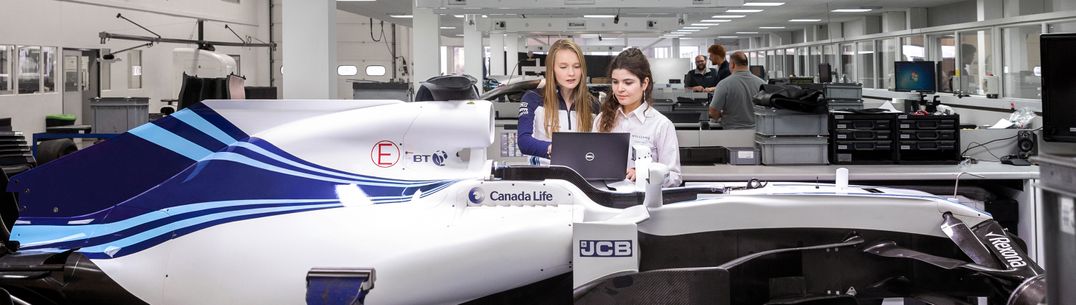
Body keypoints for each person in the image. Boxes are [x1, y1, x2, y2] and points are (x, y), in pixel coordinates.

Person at [595, 48, 682, 187]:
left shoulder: (661, 125)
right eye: (615, 82)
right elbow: (592, 163)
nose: (619, 89)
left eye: (628, 83)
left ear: (644, 84)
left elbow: (674, 176)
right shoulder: (601, 120)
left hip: (643, 203)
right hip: (606, 200)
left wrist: (643, 173)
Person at [517, 39, 600, 165]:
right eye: (563, 67)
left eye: (577, 66)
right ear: (552, 69)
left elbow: (600, 145)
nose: (571, 73)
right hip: (542, 178)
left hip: (579, 176)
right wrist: (556, 149)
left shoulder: (593, 105)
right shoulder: (533, 99)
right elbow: (524, 141)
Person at [708, 51, 765, 130]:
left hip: (732, 132)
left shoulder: (724, 84)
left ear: (733, 64)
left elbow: (713, 111)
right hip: (757, 132)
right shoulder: (762, 83)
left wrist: (721, 116)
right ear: (746, 64)